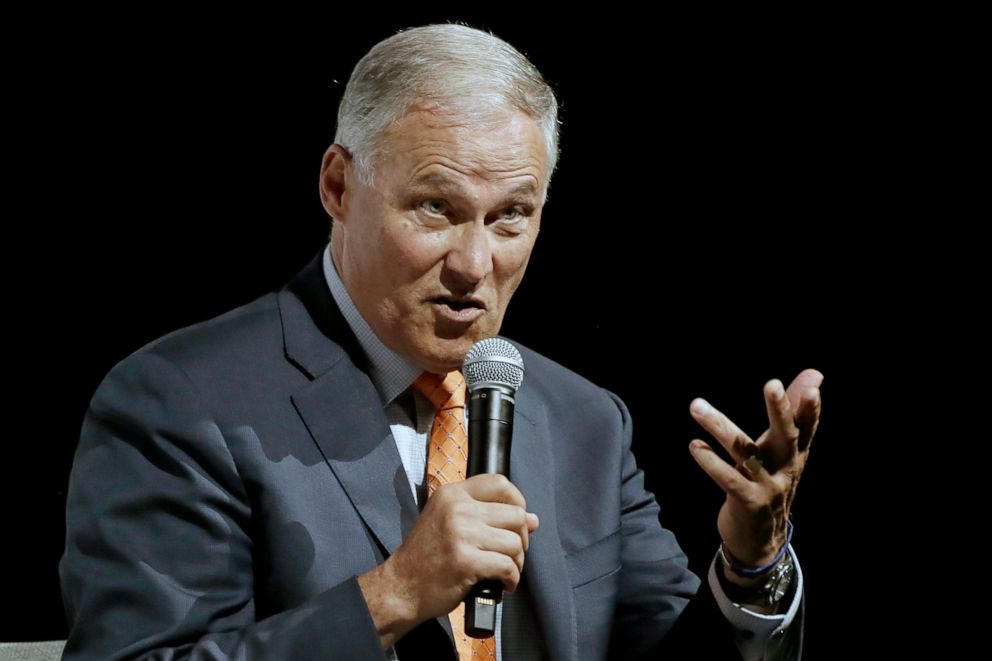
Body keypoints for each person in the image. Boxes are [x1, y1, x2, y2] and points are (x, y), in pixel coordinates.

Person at [60, 23, 822, 660]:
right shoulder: (181, 403)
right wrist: (390, 596)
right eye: (435, 207)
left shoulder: (584, 420)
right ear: (337, 187)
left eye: (510, 216)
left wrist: (750, 566)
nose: (473, 263)